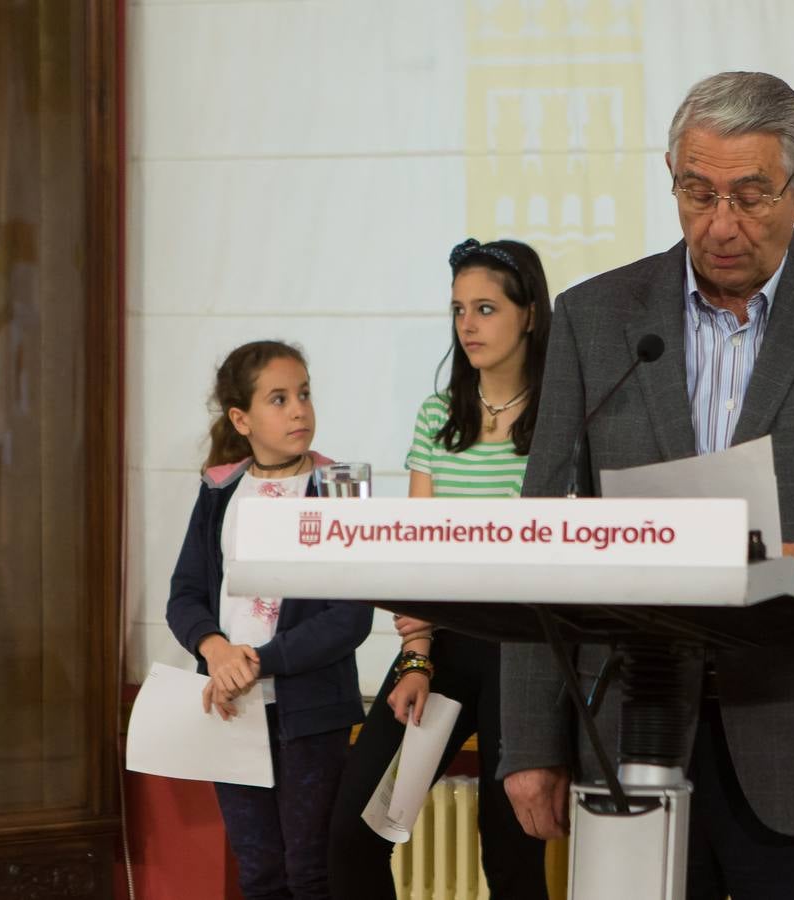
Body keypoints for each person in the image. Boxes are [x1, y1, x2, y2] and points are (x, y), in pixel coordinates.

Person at [498, 71, 794, 899]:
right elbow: (546, 529)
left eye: (749, 196)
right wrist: (531, 742)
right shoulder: (596, 318)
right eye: (696, 192)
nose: (720, 225)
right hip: (627, 732)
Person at [328, 239, 552, 899]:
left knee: (508, 853)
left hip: (524, 649)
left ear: (529, 315)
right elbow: (417, 548)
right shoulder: (437, 415)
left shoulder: (559, 418)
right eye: (458, 310)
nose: (468, 325)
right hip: (442, 644)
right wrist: (418, 655)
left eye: (485, 308)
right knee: (354, 833)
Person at [166, 340, 374, 900]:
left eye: (304, 394)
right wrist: (215, 648)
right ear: (242, 419)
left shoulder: (342, 484)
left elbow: (350, 617)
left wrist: (259, 660)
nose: (299, 409)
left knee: (311, 873)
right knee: (258, 874)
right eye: (278, 399)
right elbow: (185, 595)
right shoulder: (219, 489)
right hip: (234, 708)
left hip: (311, 715)